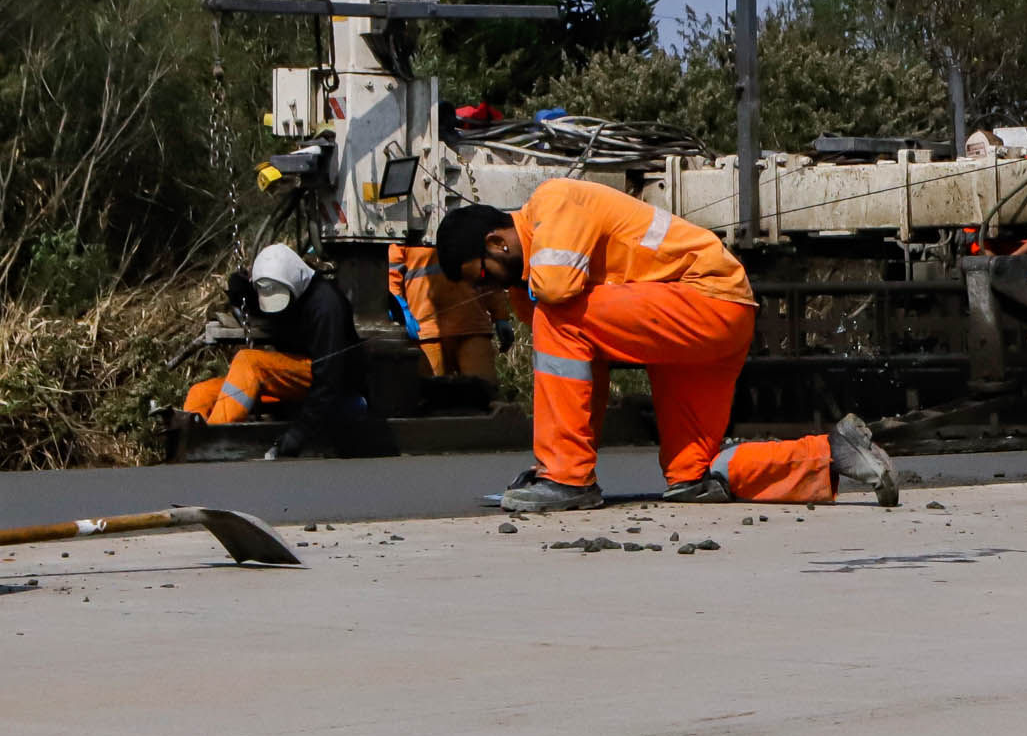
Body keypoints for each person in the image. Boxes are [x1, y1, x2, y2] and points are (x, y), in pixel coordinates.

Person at [436, 181, 899, 512]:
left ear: (497, 242)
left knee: (556, 315)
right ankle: (833, 452)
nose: (491, 288)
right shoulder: (534, 264)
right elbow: (567, 340)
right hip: (709, 318)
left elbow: (555, 294)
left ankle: (566, 477)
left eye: (483, 275)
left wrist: (560, 470)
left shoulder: (552, 202)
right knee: (692, 477)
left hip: (702, 299)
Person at [181, 243, 382, 457]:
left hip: (327, 379)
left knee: (250, 363)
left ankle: (212, 441)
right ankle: (187, 442)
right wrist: (241, 291)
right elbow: (267, 303)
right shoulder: (283, 290)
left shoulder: (326, 306)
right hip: (292, 376)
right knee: (201, 392)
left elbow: (330, 378)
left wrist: (300, 433)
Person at [387, 240, 504, 380]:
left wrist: (501, 316)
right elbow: (391, 279)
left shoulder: (473, 225)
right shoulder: (405, 232)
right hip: (426, 331)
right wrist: (399, 309)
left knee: (482, 392)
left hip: (472, 327)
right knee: (431, 394)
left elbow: (489, 274)